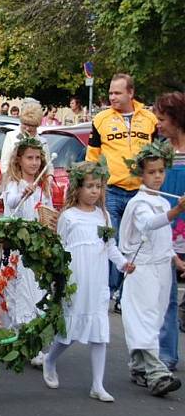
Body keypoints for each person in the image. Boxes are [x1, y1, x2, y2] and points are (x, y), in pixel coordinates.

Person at [44, 160, 134, 402]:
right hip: (76, 279)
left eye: (99, 186)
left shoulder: (103, 216)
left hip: (97, 281)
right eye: (90, 186)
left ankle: (98, 384)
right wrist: (57, 280)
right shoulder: (69, 217)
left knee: (99, 333)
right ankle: (50, 360)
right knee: (69, 333)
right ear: (78, 188)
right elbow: (59, 249)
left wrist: (123, 263)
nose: (95, 191)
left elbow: (110, 246)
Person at [119, 142, 184, 396]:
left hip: (161, 270)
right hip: (142, 270)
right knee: (144, 319)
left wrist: (175, 259)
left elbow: (163, 238)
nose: (157, 176)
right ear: (141, 175)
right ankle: (157, 375)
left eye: (160, 171)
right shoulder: (140, 203)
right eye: (151, 172)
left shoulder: (162, 201)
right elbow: (148, 225)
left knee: (153, 319)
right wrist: (178, 210)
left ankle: (138, 367)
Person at [86, 74, 158, 303]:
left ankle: (126, 295)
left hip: (140, 191)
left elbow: (157, 153)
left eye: (117, 93)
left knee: (137, 245)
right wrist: (92, 184)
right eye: (110, 93)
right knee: (111, 242)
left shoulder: (149, 119)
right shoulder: (101, 119)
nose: (112, 97)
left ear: (131, 93)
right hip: (112, 190)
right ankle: (109, 290)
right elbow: (92, 156)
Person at [2, 136, 52, 366]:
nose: (34, 162)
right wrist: (23, 194)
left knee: (36, 294)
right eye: (29, 158)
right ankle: (19, 339)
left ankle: (32, 342)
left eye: (37, 158)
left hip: (35, 252)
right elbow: (11, 204)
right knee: (17, 293)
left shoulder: (42, 189)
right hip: (17, 252)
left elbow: (47, 215)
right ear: (19, 160)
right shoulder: (15, 185)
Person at [153, 92, 185, 369]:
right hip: (167, 225)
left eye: (162, 119)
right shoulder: (161, 150)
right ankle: (166, 355)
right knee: (167, 296)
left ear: (176, 118)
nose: (158, 124)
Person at [0, 100, 51, 186]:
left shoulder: (42, 142)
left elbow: (48, 165)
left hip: (36, 186)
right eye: (25, 124)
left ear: (37, 126)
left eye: (31, 125)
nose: (27, 128)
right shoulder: (11, 137)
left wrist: (49, 179)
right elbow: (5, 163)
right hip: (14, 183)